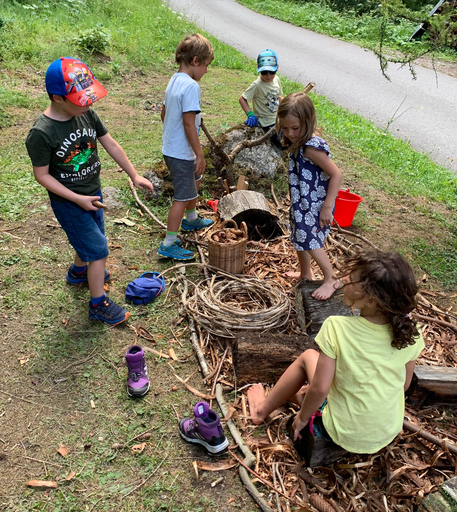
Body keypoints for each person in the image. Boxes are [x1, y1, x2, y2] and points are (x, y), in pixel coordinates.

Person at [248, 249, 425, 455]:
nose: (345, 279)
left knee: (308, 358)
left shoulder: (336, 327)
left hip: (343, 431)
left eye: (352, 280)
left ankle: (260, 411)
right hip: (387, 431)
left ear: (370, 301)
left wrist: (302, 419)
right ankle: (298, 396)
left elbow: (320, 388)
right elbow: (403, 385)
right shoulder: (411, 331)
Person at [25, 57, 154, 325]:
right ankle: (98, 305)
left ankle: (77, 273)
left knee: (90, 241)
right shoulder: (42, 132)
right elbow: (42, 175)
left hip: (93, 193)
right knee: (99, 250)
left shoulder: (86, 114)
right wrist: (77, 199)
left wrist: (134, 174)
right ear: (58, 97)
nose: (89, 103)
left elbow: (111, 144)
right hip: (70, 202)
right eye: (81, 99)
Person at [277, 92, 342, 300]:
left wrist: (327, 206)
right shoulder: (298, 142)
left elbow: (336, 174)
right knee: (299, 235)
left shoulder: (311, 148)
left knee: (310, 239)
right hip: (302, 201)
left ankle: (331, 278)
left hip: (315, 204)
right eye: (285, 128)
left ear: (308, 121)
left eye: (295, 128)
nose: (290, 133)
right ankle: (306, 273)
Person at [158, 33, 215, 261]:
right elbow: (190, 123)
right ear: (195, 61)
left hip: (172, 148)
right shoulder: (191, 86)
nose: (206, 72)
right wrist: (199, 154)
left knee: (194, 182)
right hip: (181, 153)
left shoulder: (174, 79)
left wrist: (172, 135)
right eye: (206, 66)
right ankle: (169, 243)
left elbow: (164, 113)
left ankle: (191, 219)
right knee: (181, 197)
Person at [239, 49, 283, 148]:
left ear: (277, 68)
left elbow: (278, 97)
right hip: (266, 123)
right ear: (258, 68)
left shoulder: (276, 80)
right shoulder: (257, 85)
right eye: (264, 72)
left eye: (272, 72)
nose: (268, 76)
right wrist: (250, 114)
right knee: (283, 142)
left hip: (278, 119)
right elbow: (242, 99)